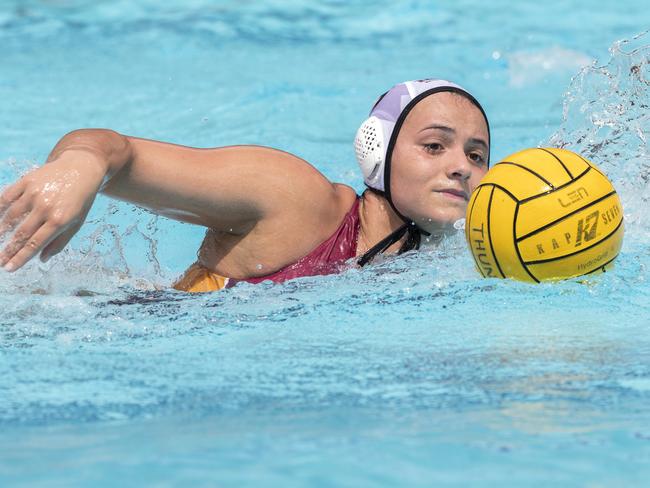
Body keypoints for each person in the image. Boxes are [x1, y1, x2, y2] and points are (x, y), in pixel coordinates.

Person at [0, 79, 490, 292]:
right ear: (376, 152)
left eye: (475, 154)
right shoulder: (297, 200)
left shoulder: (464, 258)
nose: (461, 167)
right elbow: (110, 149)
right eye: (433, 146)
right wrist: (82, 166)